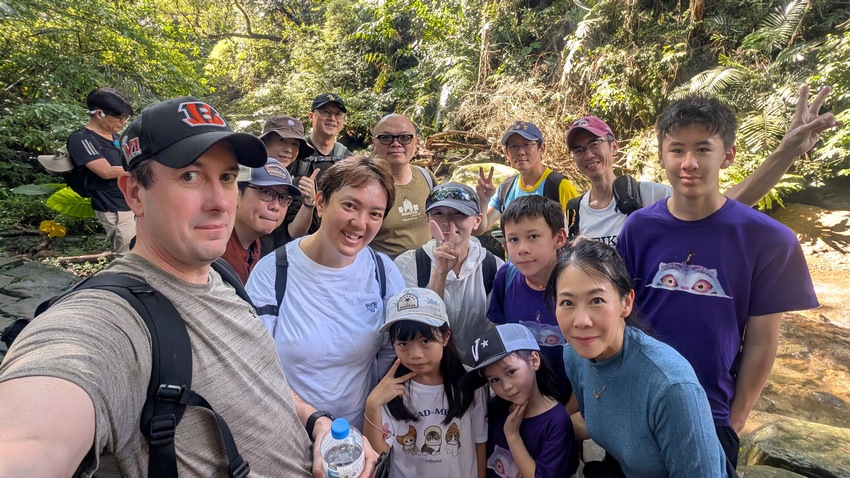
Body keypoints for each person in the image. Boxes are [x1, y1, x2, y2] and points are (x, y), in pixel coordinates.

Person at [0, 96, 379, 476]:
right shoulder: (107, 321)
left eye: (227, 178)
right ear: (134, 193)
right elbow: (30, 438)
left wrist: (315, 422)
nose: (219, 202)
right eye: (190, 177)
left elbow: (259, 382)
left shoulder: (221, 275)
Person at [616, 94, 820, 470]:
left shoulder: (768, 240)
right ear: (661, 155)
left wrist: (735, 419)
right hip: (637, 400)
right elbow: (620, 318)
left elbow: (761, 340)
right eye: (677, 149)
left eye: (703, 149)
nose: (689, 163)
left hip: (711, 411)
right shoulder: (639, 228)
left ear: (727, 154)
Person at [246, 155, 406, 430]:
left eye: (375, 214)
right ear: (320, 203)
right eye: (350, 205)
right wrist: (314, 421)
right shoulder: (272, 272)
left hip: (360, 436)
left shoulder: (383, 272)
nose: (360, 223)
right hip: (289, 433)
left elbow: (394, 355)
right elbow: (254, 366)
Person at [565, 85, 839, 246]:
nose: (587, 154)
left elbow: (727, 204)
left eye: (594, 144)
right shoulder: (574, 211)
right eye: (579, 150)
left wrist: (785, 152)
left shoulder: (647, 196)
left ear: (613, 146)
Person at [550, 238, 729, 477]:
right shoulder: (575, 357)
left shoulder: (671, 387)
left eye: (597, 300)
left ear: (626, 302)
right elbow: (594, 420)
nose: (581, 321)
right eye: (567, 302)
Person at [364, 287, 488, 477]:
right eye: (403, 344)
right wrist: (372, 405)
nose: (415, 355)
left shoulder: (471, 382)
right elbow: (378, 455)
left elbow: (480, 440)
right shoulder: (389, 391)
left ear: (445, 337)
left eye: (425, 341)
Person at [394, 182, 503, 365]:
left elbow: (493, 332)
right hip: (427, 370)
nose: (447, 222)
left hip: (478, 370)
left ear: (477, 220)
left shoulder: (493, 268)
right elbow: (417, 329)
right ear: (427, 220)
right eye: (438, 213)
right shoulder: (408, 265)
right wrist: (439, 273)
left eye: (458, 213)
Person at [487, 195, 572, 403]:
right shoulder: (505, 277)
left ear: (559, 238)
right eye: (513, 239)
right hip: (520, 401)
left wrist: (566, 414)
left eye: (533, 236)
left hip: (569, 403)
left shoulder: (576, 283)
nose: (522, 248)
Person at [469, 323, 575, 478]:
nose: (506, 386)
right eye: (494, 380)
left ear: (534, 360)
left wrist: (512, 435)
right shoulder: (495, 407)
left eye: (511, 372)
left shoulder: (556, 422)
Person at [473, 121, 579, 235]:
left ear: (541, 148)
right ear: (506, 153)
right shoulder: (505, 189)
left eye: (527, 145)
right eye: (514, 146)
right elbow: (479, 228)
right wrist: (483, 201)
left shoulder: (559, 186)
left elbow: (577, 233)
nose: (520, 152)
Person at [66, 87, 135, 253]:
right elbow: (105, 171)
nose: (124, 122)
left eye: (126, 117)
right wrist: (139, 169)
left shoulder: (117, 137)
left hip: (132, 202)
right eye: (120, 118)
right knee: (129, 253)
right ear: (99, 114)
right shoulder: (82, 139)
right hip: (114, 207)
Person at [221, 157, 301, 283]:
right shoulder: (216, 251)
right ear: (237, 194)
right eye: (266, 192)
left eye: (283, 197)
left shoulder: (254, 244)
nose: (276, 206)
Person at [370, 113, 438, 258]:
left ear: (416, 141)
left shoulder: (427, 178)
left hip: (428, 268)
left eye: (405, 137)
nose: (396, 143)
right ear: (374, 143)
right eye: (386, 138)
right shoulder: (365, 185)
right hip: (381, 271)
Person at [289, 93, 353, 235]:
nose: (332, 118)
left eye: (338, 114)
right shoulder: (294, 152)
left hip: (337, 235)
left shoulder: (348, 159)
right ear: (311, 116)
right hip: (296, 236)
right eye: (325, 112)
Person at [257, 115, 319, 253]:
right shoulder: (245, 174)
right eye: (282, 141)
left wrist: (308, 203)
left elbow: (294, 232)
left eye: (295, 144)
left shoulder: (295, 184)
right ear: (266, 141)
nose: (289, 150)